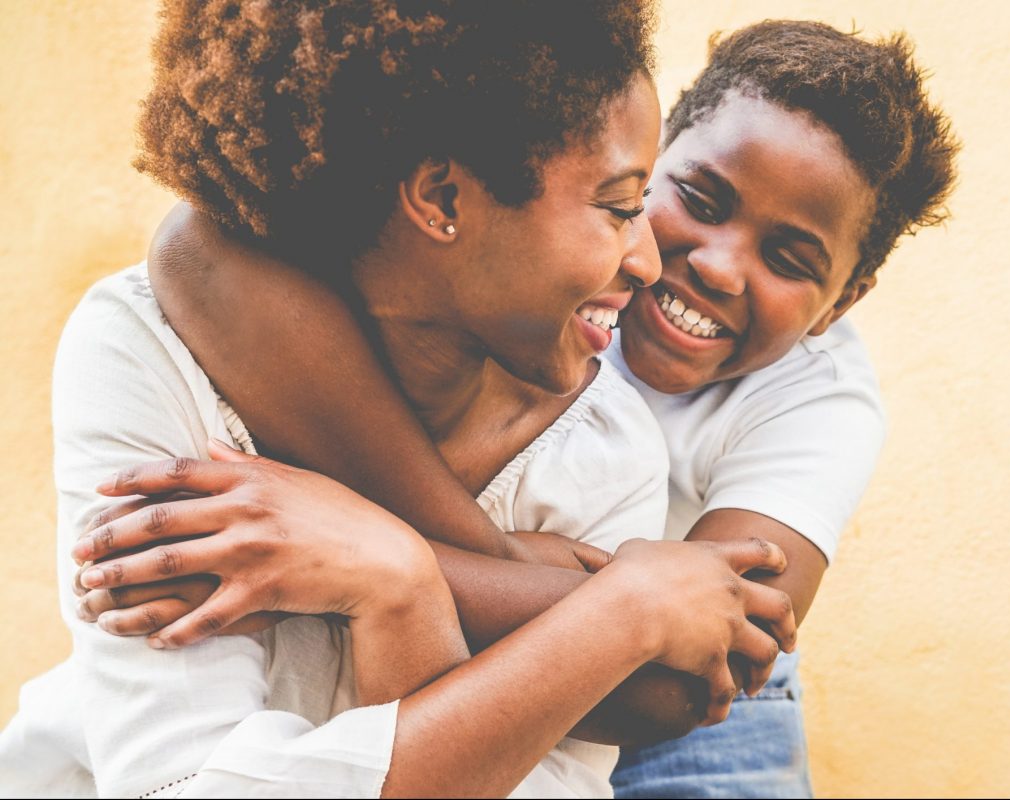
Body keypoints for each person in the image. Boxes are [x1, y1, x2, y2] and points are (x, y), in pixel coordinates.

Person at [82, 18, 959, 800]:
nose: (713, 265)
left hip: (686, 699)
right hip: (593, 615)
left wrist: (402, 563)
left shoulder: (803, 403)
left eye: (791, 257)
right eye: (689, 199)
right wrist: (537, 577)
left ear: (844, 303)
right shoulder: (494, 236)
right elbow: (198, 252)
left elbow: (703, 666)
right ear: (662, 159)